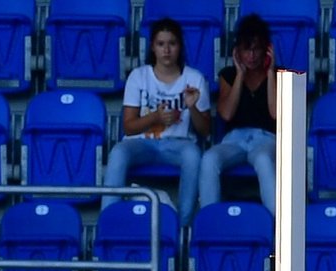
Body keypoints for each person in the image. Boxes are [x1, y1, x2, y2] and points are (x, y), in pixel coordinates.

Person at [102, 17, 211, 226]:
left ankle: (182, 226)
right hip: (142, 143)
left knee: (193, 155)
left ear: (180, 46)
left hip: (178, 144)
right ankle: (108, 224)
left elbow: (205, 131)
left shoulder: (195, 78)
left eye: (172, 43)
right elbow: (129, 126)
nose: (167, 50)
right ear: (153, 47)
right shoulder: (139, 76)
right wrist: (156, 117)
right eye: (161, 44)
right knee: (118, 152)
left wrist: (192, 106)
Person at [199, 14, 277, 214]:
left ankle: (277, 225)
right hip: (235, 140)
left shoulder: (280, 75)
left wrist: (270, 74)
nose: (251, 56)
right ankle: (210, 221)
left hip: (267, 139)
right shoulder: (229, 75)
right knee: (209, 158)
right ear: (237, 51)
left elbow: (277, 114)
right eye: (246, 49)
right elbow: (225, 114)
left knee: (262, 159)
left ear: (266, 50)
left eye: (256, 49)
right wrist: (240, 75)